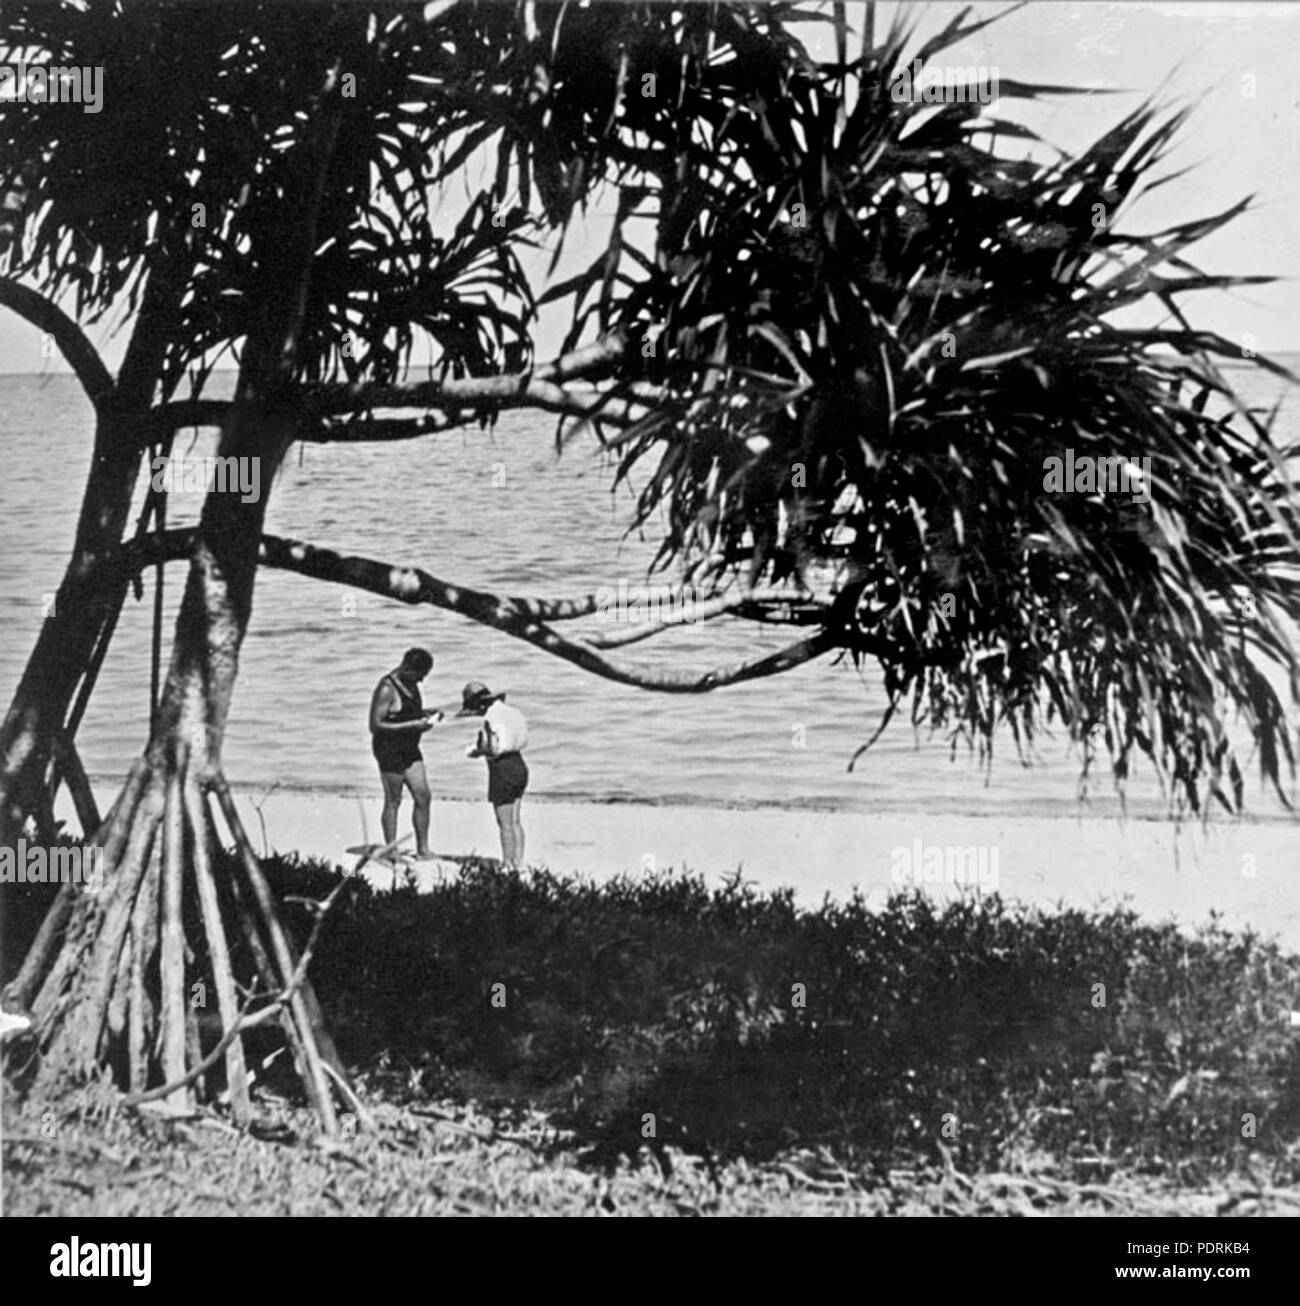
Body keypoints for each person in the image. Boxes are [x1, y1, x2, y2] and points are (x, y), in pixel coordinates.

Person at [369, 648, 442, 861]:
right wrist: (413, 725)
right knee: (394, 800)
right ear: (408, 668)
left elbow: (405, 713)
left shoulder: (410, 684)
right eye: (420, 675)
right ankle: (391, 850)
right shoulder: (386, 689)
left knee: (423, 796)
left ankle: (423, 849)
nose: (421, 681)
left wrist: (426, 715)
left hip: (410, 748)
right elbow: (375, 725)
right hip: (388, 749)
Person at [457, 680, 528, 868]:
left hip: (502, 768)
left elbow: (496, 748)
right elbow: (519, 740)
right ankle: (519, 862)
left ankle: (507, 863)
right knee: (515, 821)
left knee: (504, 823)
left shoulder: (492, 717)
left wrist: (478, 751)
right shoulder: (514, 712)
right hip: (519, 764)